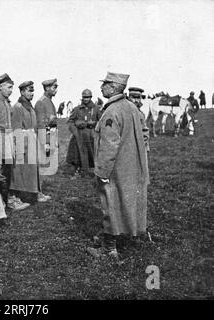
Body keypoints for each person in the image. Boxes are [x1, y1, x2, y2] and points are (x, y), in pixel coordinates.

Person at [87, 72, 149, 259]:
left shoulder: (112, 111)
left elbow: (109, 145)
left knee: (110, 204)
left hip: (115, 167)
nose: (101, 87)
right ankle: (116, 237)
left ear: (113, 87)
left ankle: (109, 249)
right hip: (131, 166)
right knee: (126, 202)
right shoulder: (131, 107)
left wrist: (102, 171)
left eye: (105, 84)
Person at [0, 73, 30, 211]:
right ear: (0, 87)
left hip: (8, 141)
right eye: (9, 87)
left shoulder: (6, 103)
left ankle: (6, 200)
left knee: (8, 172)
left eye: (12, 88)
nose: (11, 90)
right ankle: (0, 202)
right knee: (0, 172)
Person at [10, 81, 51, 202]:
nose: (31, 93)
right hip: (24, 142)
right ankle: (19, 195)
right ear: (22, 92)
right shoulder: (18, 107)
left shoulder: (29, 106)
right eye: (29, 91)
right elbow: (16, 128)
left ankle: (36, 192)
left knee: (34, 168)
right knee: (21, 170)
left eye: (32, 91)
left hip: (32, 139)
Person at [67, 89, 100, 176]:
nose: (86, 99)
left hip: (91, 136)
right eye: (84, 97)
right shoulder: (77, 109)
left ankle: (93, 170)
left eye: (88, 97)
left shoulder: (96, 109)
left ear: (91, 97)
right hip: (79, 135)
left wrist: (94, 124)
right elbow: (70, 121)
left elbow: (101, 121)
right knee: (78, 153)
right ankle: (78, 168)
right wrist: (75, 131)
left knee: (92, 153)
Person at [128, 87, 150, 153]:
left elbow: (144, 131)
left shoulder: (141, 114)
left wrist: (146, 148)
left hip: (137, 148)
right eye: (134, 98)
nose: (136, 101)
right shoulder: (124, 111)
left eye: (138, 98)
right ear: (129, 97)